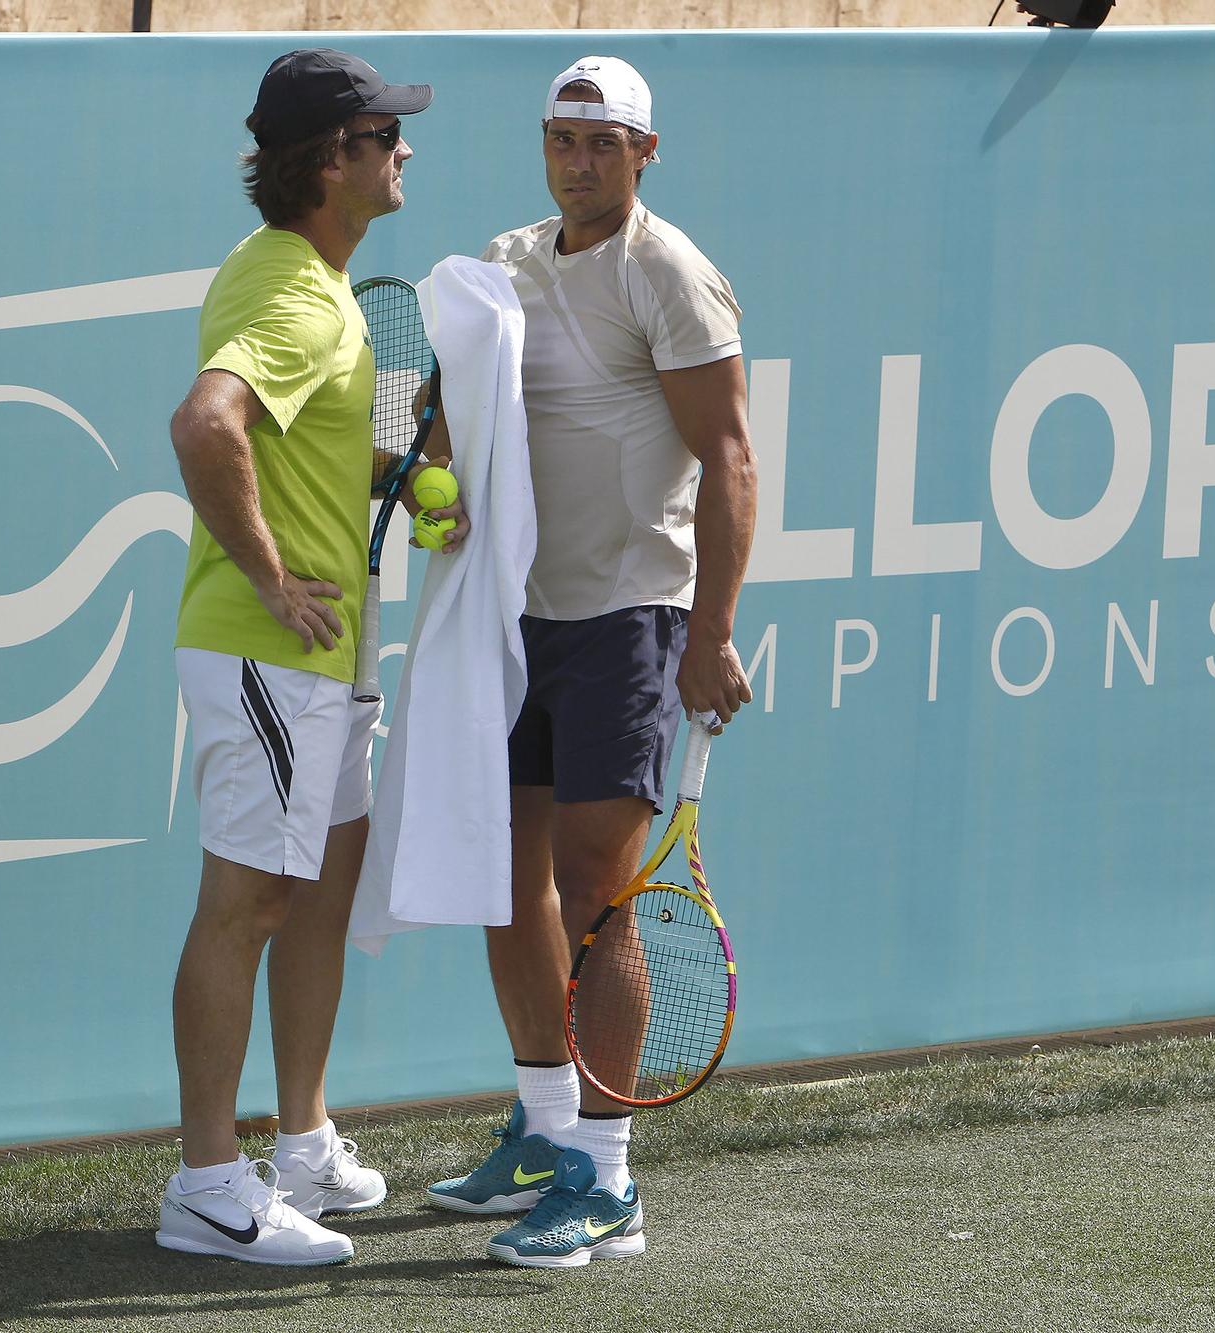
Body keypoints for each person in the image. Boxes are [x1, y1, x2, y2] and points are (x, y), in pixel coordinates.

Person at [422, 55, 757, 1268]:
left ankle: (607, 1181)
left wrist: (709, 629)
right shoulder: (507, 263)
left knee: (597, 892)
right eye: (563, 138)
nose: (579, 159)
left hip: (627, 613)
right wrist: (436, 481)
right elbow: (450, 407)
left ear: (643, 154)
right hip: (513, 615)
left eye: (603, 142)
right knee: (510, 883)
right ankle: (547, 1127)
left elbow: (726, 457)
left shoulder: (667, 274)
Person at [156, 47, 450, 1267]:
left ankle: (302, 1144)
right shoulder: (287, 289)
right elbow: (205, 420)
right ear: (333, 159)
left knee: (320, 886)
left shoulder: (308, 280)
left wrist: (405, 479)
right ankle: (207, 1181)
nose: (404, 151)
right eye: (386, 135)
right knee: (252, 899)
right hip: (268, 654)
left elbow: (316, 450)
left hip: (325, 667)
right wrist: (272, 576)